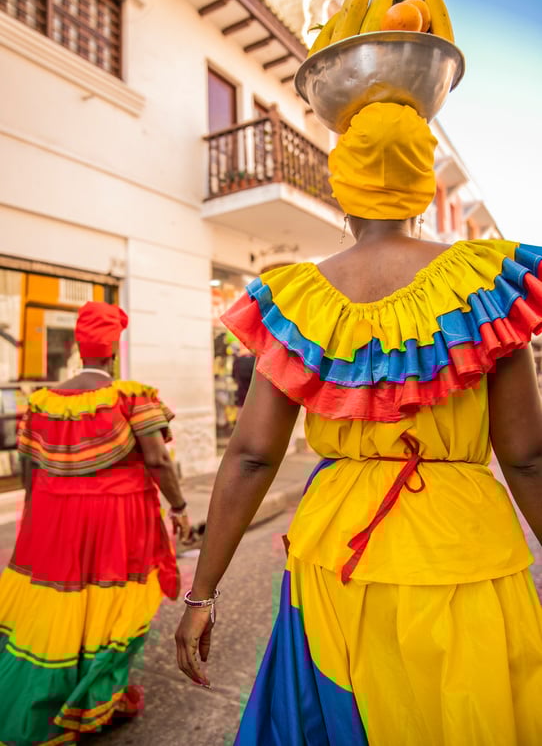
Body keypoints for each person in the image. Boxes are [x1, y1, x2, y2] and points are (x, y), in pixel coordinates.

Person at [175, 102, 542, 745]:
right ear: (424, 186)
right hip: (461, 551)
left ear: (341, 189)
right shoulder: (484, 287)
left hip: (332, 555)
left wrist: (201, 594)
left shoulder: (298, 299)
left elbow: (253, 455)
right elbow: (529, 457)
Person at [0, 301, 190, 745]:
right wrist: (180, 508)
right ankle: (95, 699)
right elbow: (159, 461)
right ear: (114, 352)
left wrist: (34, 523)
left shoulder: (43, 402)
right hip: (117, 521)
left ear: (77, 350)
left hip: (53, 521)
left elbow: (32, 472)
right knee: (110, 606)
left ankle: (64, 697)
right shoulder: (129, 396)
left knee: (64, 607)